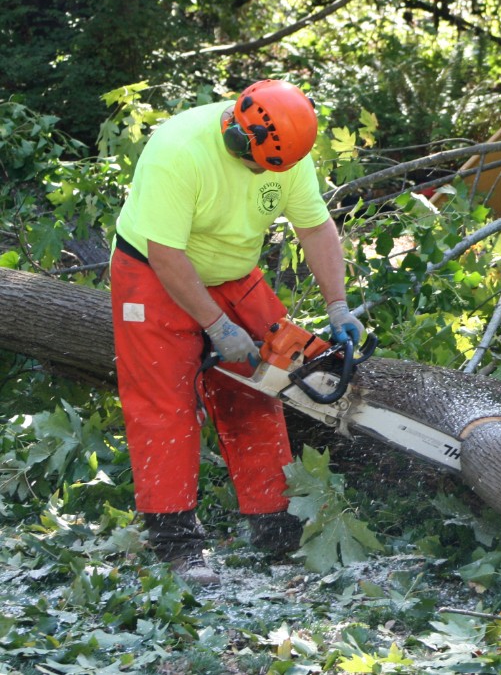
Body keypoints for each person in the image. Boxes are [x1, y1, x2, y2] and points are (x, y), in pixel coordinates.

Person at [110, 79, 364, 586]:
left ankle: (273, 523)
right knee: (164, 402)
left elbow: (313, 228)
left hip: (233, 273)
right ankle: (176, 541)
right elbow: (166, 255)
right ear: (238, 137)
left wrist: (338, 306)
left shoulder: (288, 154)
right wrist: (216, 326)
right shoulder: (179, 150)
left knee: (260, 388)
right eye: (255, 164)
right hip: (153, 274)